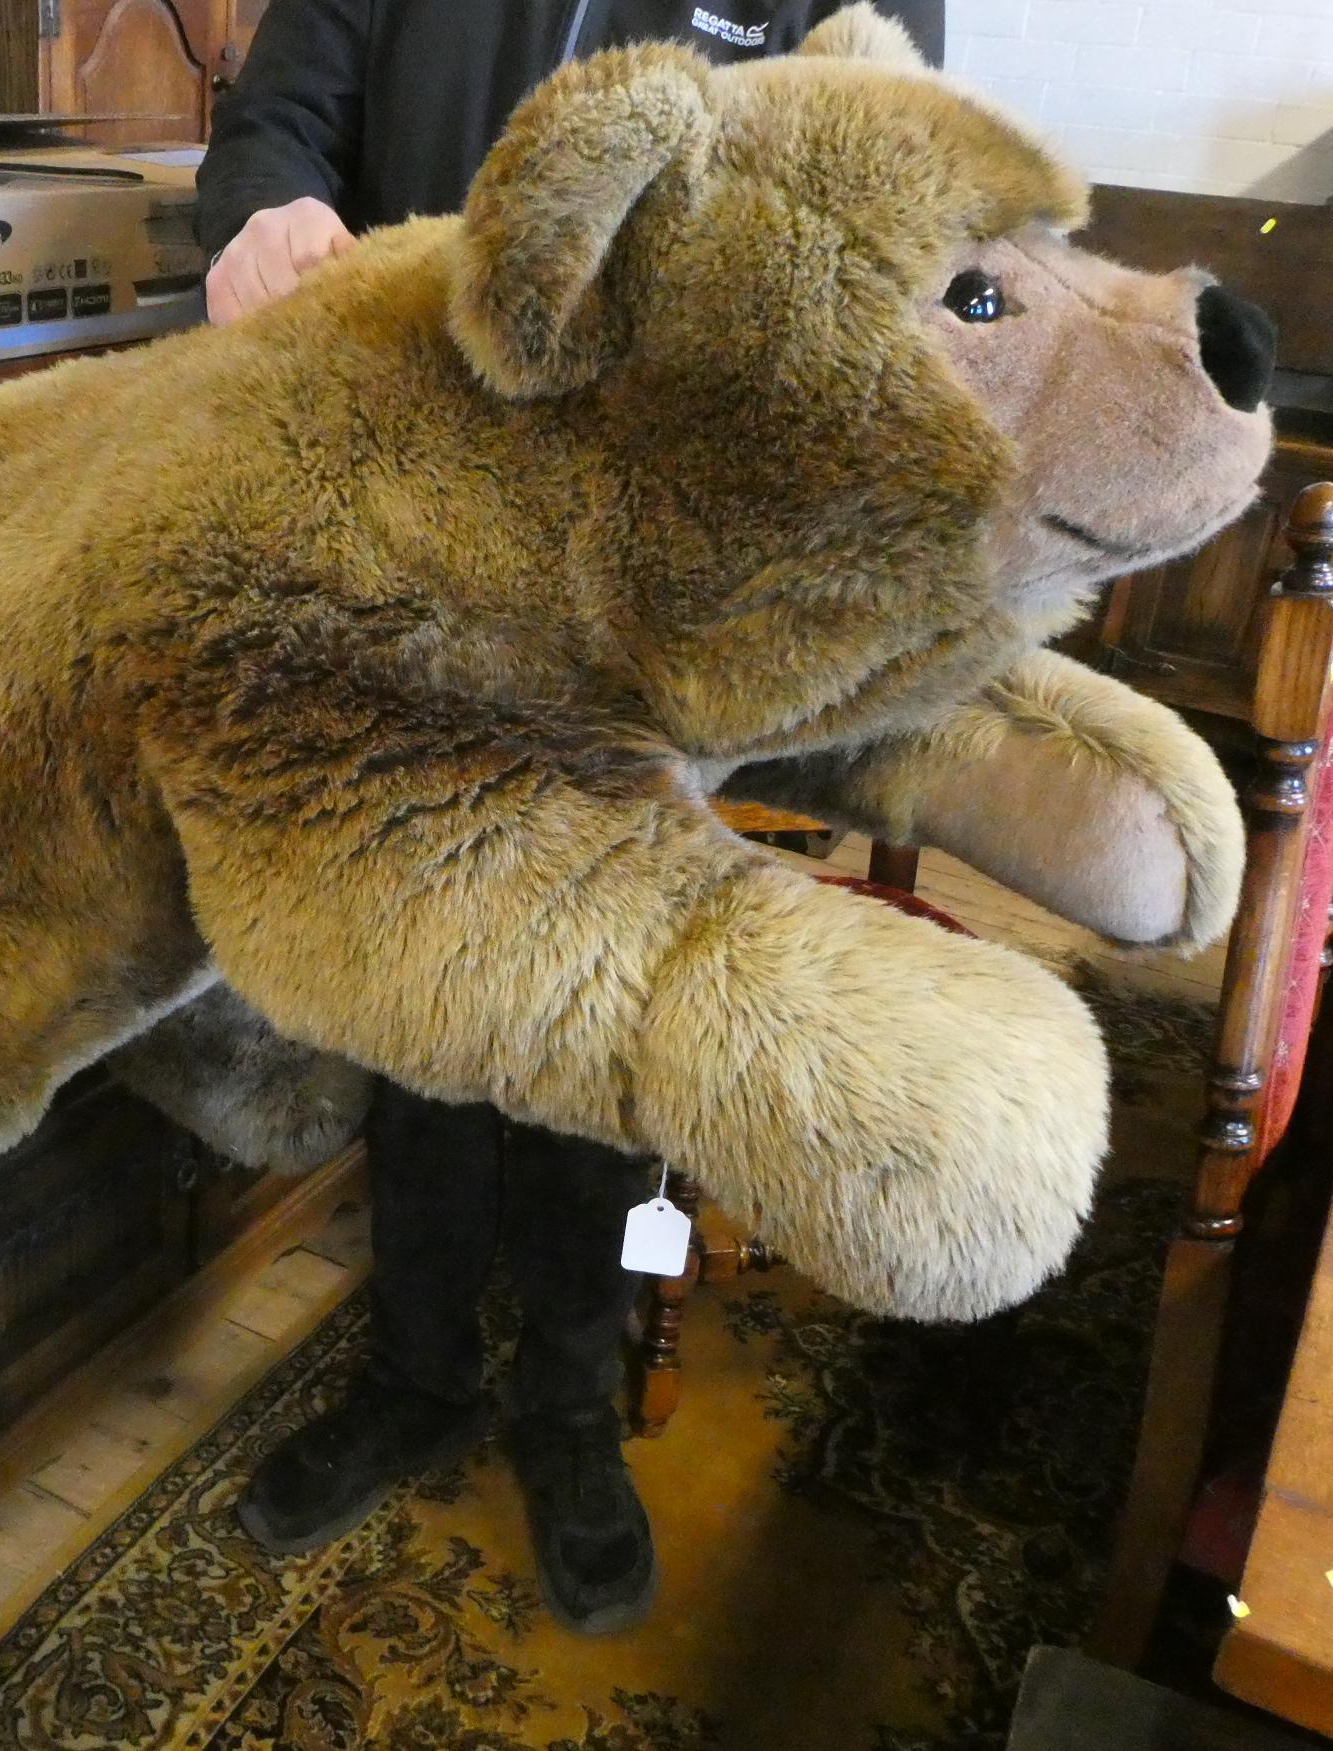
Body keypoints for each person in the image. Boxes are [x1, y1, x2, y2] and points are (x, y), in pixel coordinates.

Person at [195, 0, 945, 1636]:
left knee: (593, 1000)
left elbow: (884, 204)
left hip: (650, 566)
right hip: (404, 524)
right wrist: (256, 210)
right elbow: (278, 116)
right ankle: (415, 1374)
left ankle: (562, 1397)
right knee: (419, 977)